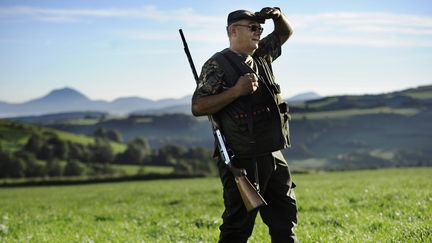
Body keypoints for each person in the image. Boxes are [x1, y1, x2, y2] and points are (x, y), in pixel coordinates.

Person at [191, 7, 298, 243]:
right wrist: (236, 91)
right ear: (232, 31)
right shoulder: (217, 65)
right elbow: (198, 106)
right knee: (237, 227)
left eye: (260, 28)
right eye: (252, 28)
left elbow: (285, 33)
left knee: (285, 219)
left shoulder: (262, 55)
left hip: (273, 152)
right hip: (242, 158)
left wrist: (277, 16)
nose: (258, 32)